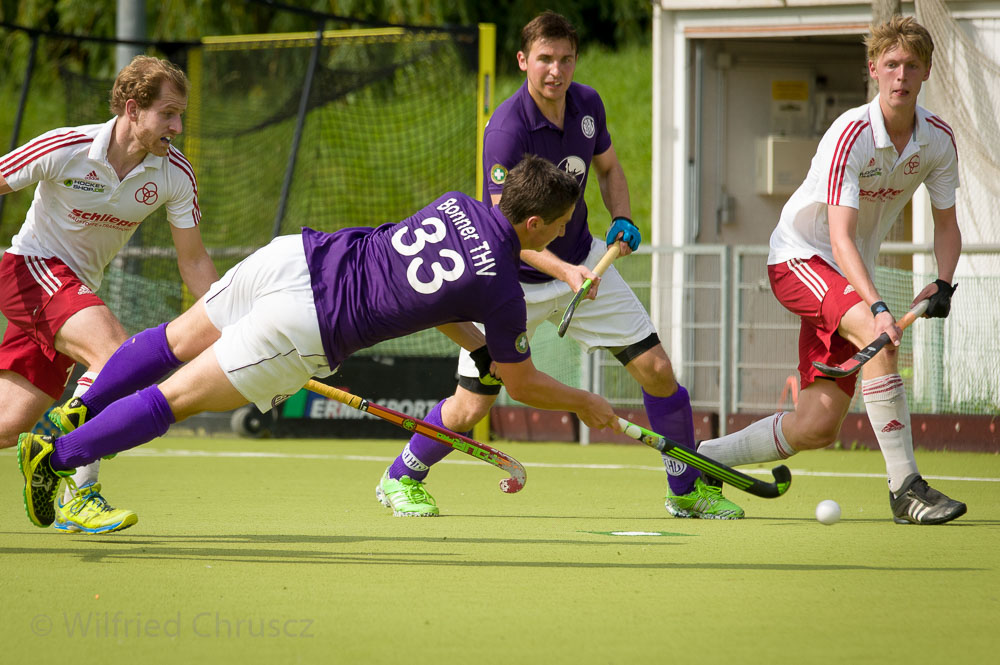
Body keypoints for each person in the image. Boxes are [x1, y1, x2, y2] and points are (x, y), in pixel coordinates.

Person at [16, 154, 623, 528]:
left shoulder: (457, 204)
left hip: (296, 255)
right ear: (533, 222)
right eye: (560, 226)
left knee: (171, 341)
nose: (563, 235)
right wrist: (584, 403)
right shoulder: (503, 291)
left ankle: (77, 411)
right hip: (307, 324)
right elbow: (520, 382)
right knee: (173, 401)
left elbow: (433, 297)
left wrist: (479, 346)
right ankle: (57, 456)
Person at [376, 10, 743, 519]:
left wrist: (621, 217)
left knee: (658, 371)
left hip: (584, 259)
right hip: (510, 281)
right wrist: (566, 274)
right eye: (545, 59)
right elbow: (506, 234)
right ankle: (400, 477)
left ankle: (686, 491)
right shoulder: (506, 131)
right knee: (471, 405)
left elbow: (609, 168)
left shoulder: (588, 105)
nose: (556, 71)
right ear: (523, 60)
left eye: (566, 59)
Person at [698, 16, 966, 525]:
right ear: (874, 69)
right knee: (878, 335)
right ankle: (906, 489)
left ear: (927, 71)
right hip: (800, 258)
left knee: (817, 425)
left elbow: (947, 224)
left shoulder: (937, 141)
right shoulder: (852, 134)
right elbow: (840, 238)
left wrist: (944, 282)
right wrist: (879, 307)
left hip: (844, 275)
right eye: (891, 64)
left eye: (912, 65)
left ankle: (708, 457)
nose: (901, 76)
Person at [1, 55, 218, 533]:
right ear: (133, 109)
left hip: (75, 294)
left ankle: (55, 456)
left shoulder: (174, 174)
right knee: (120, 360)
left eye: (180, 115)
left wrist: (226, 322)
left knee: (10, 422)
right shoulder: (68, 147)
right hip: (30, 271)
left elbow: (194, 260)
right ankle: (79, 492)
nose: (178, 127)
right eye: (167, 114)